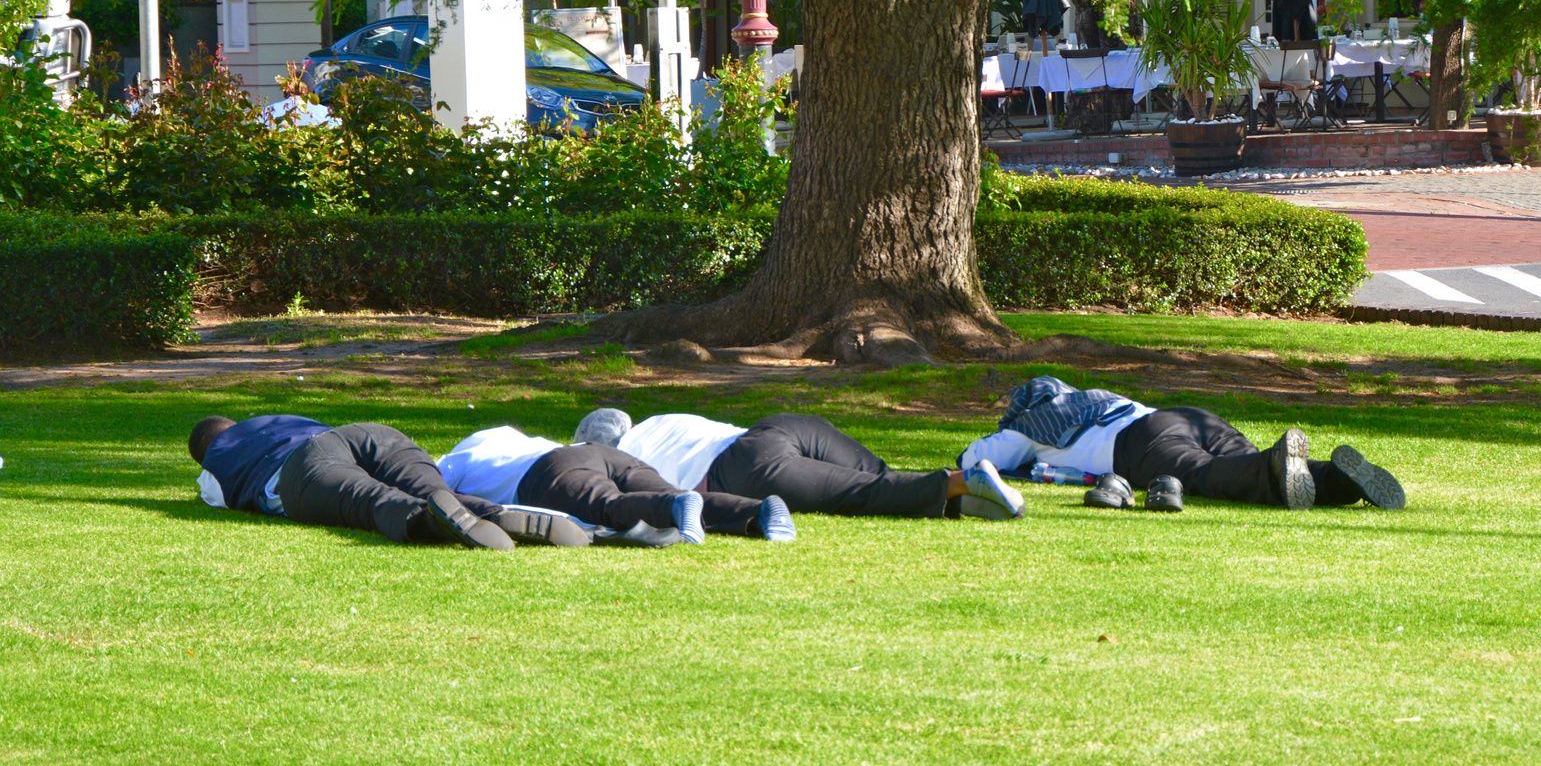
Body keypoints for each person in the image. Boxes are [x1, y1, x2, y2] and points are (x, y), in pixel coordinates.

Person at [959, 377, 1405, 512]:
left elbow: (975, 459)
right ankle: (1340, 479)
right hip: (1188, 416)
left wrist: (1004, 433)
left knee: (1205, 475)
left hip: (1141, 443)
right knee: (1245, 460)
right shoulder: (1097, 397)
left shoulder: (1027, 425)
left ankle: (1275, 467)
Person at [188, 415, 588, 550]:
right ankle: (495, 513)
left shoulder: (214, 464)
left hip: (301, 467)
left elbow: (220, 497)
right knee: (437, 490)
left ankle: (438, 522)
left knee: (371, 501)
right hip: (366, 434)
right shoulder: (272, 418)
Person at [576, 408, 1026, 522]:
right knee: (876, 474)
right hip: (778, 427)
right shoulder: (659, 421)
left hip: (741, 467)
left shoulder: (622, 459)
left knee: (857, 494)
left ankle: (961, 483)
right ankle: (966, 500)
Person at [439, 425, 797, 544]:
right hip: (592, 452)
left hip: (546, 472)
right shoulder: (506, 437)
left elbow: (435, 492)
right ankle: (760, 509)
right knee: (668, 488)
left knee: (606, 506)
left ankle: (672, 509)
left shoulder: (456, 460)